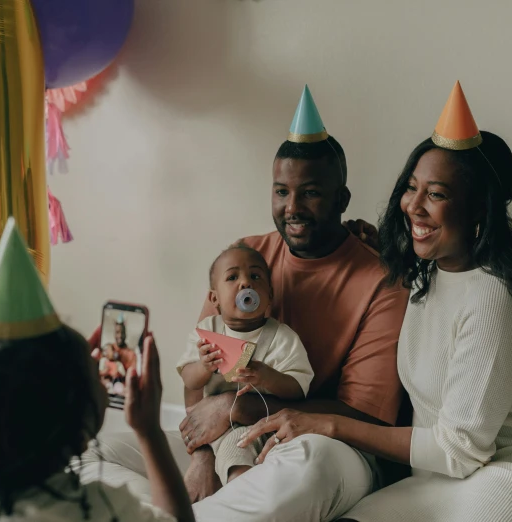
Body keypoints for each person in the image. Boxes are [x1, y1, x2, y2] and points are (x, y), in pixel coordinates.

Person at [237, 82, 512, 521]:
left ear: (478, 209)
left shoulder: (494, 296)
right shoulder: (424, 274)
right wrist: (375, 243)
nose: (414, 206)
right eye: (411, 187)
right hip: (436, 479)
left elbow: (460, 448)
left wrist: (325, 422)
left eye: (437, 194)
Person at [82, 85, 410, 521]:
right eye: (281, 192)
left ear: (341, 200)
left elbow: (364, 415)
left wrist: (239, 407)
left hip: (325, 446)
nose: (292, 207)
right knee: (95, 453)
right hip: (223, 439)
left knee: (310, 467)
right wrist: (200, 457)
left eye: (310, 192)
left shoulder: (381, 281)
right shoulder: (244, 258)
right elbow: (200, 378)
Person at [0, 218, 194, 522]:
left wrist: (68, 372)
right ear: (81, 424)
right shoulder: (101, 509)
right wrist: (149, 431)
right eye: (92, 377)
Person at [177, 243, 314, 486]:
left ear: (270, 294)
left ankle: (237, 495)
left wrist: (268, 377)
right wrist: (203, 367)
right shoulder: (208, 330)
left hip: (256, 425)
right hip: (212, 425)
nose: (245, 284)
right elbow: (189, 380)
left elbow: (299, 389)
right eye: (232, 277)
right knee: (219, 452)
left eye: (255, 276)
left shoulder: (283, 337)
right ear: (214, 298)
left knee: (238, 452)